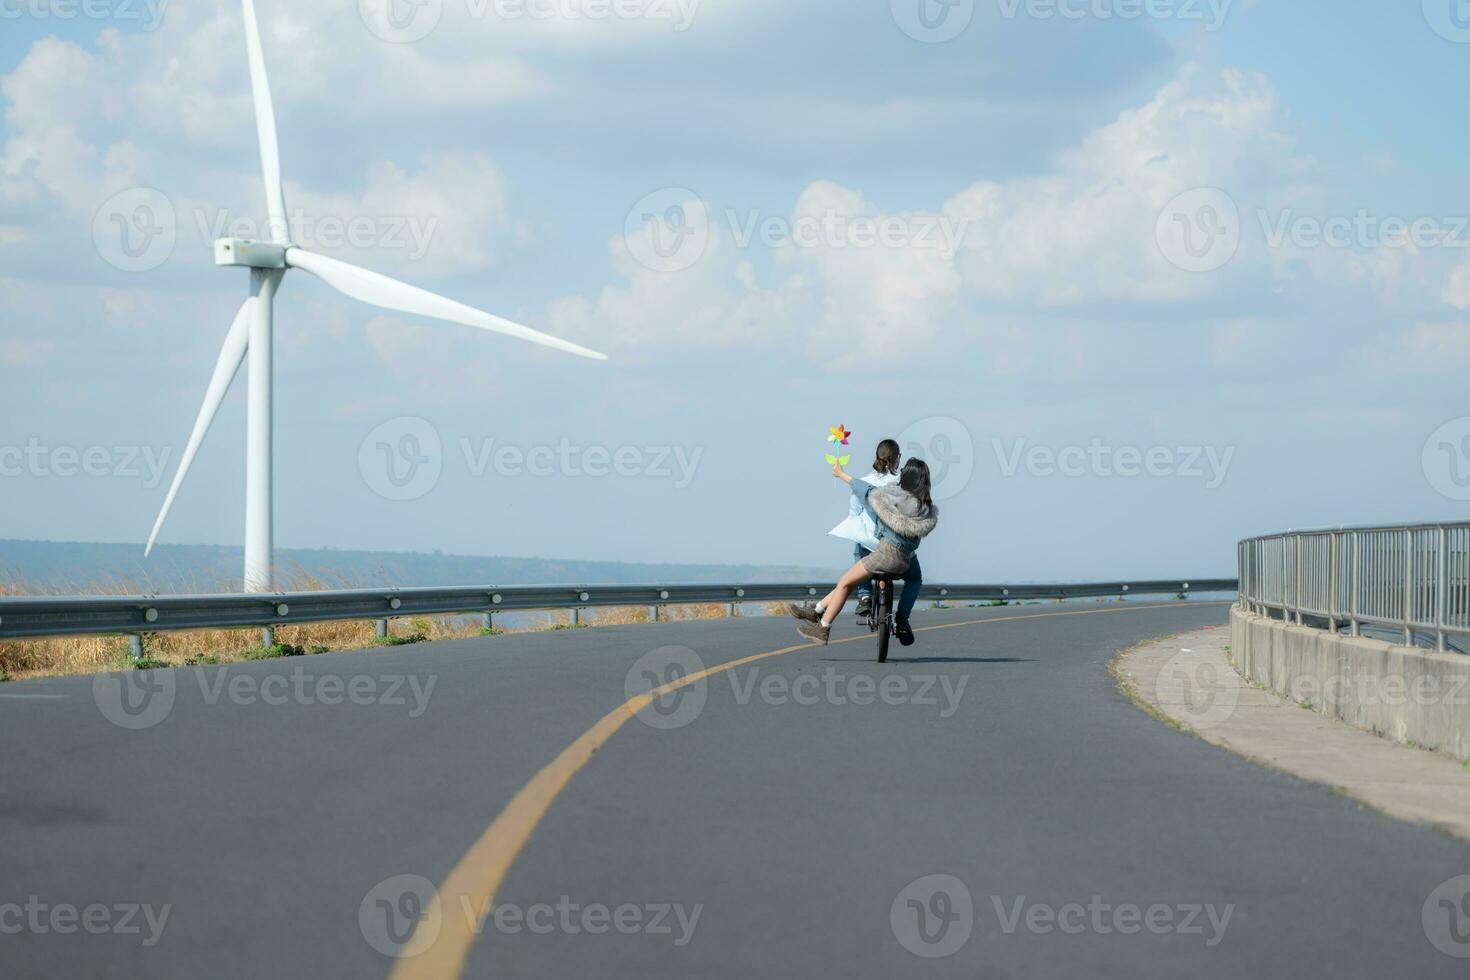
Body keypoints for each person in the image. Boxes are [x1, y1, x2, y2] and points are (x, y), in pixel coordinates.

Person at [790, 458, 938, 645]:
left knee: (845, 583)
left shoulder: (893, 495)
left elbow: (867, 492)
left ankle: (823, 628)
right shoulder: (926, 506)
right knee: (915, 579)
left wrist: (842, 474)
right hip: (906, 559)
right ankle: (902, 617)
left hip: (885, 555)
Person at [828, 439, 902, 620]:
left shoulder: (864, 481)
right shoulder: (901, 482)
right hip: (895, 547)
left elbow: (855, 512)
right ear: (898, 458)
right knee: (915, 578)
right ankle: (902, 618)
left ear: (877, 457)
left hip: (871, 545)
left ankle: (864, 594)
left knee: (859, 544)